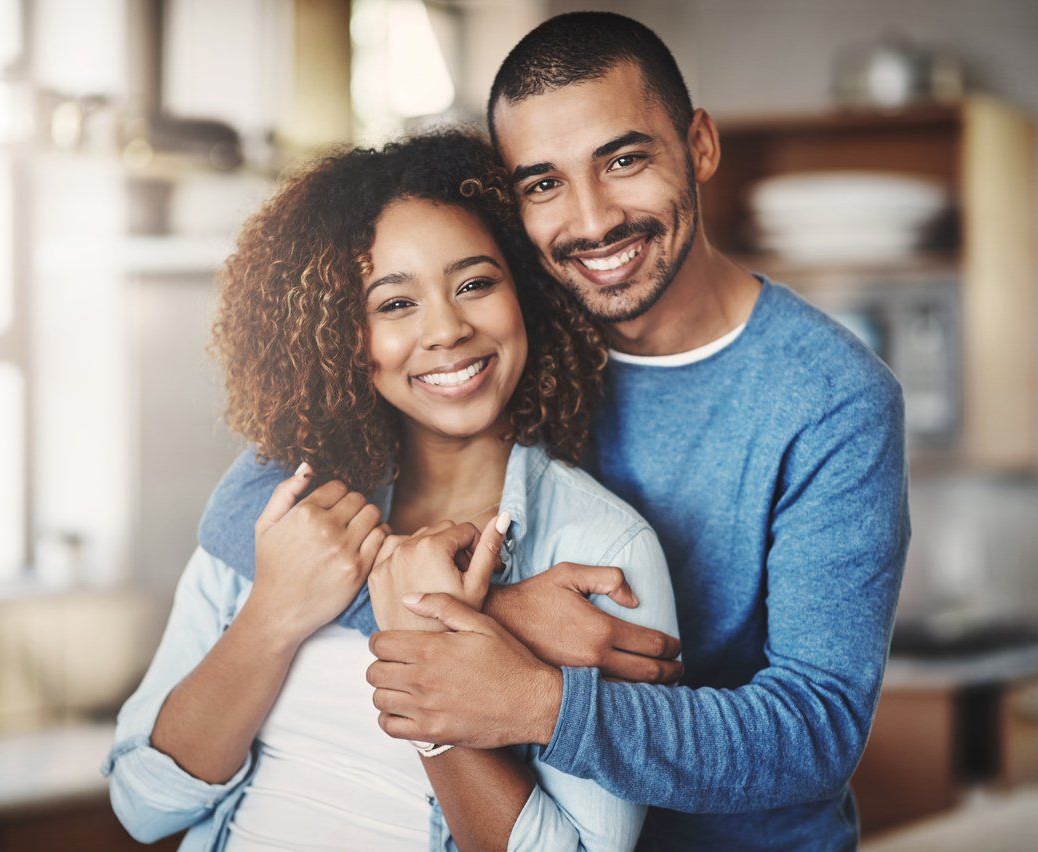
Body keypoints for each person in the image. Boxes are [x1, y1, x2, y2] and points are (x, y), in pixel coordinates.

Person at [195, 11, 910, 851]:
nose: (594, 219)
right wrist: (500, 613)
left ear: (701, 147)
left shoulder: (831, 398)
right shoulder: (505, 349)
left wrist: (538, 699)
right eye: (543, 184)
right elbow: (261, 506)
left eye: (625, 159)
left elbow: (813, 732)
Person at [104, 132, 679, 851]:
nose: (445, 329)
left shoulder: (600, 551)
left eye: (475, 284)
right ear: (343, 336)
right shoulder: (286, 507)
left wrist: (426, 659)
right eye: (394, 303)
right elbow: (143, 804)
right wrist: (273, 615)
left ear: (527, 293)